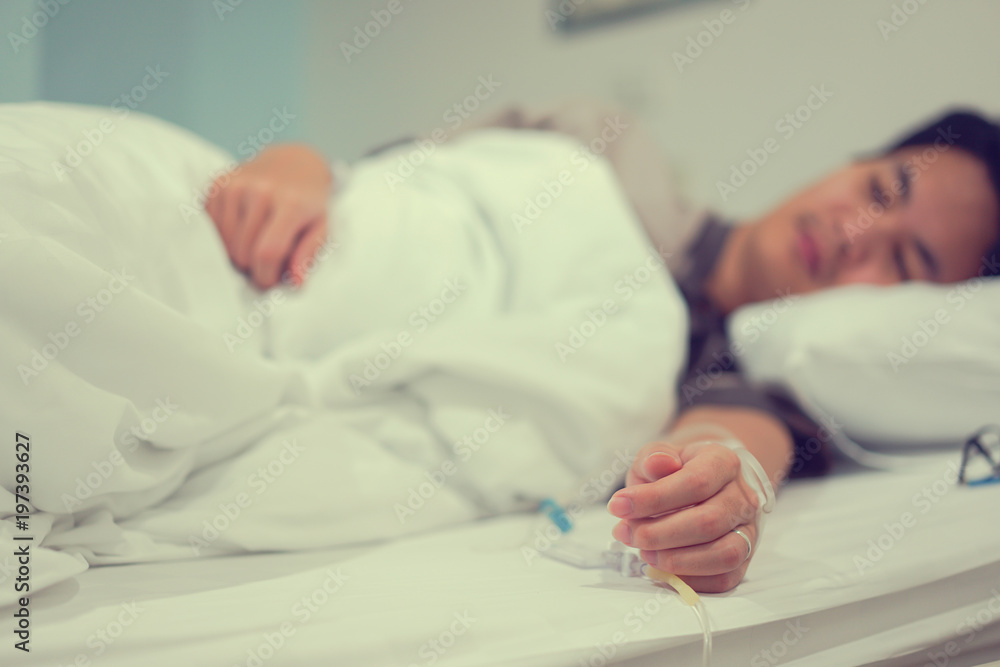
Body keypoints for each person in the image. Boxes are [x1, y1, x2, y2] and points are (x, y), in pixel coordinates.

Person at [202, 101, 1000, 593]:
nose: (856, 233)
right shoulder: (603, 142)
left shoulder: (744, 378)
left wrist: (721, 487)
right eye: (879, 191)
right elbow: (391, 176)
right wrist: (293, 165)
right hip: (254, 258)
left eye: (901, 261)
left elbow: (730, 441)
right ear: (853, 163)